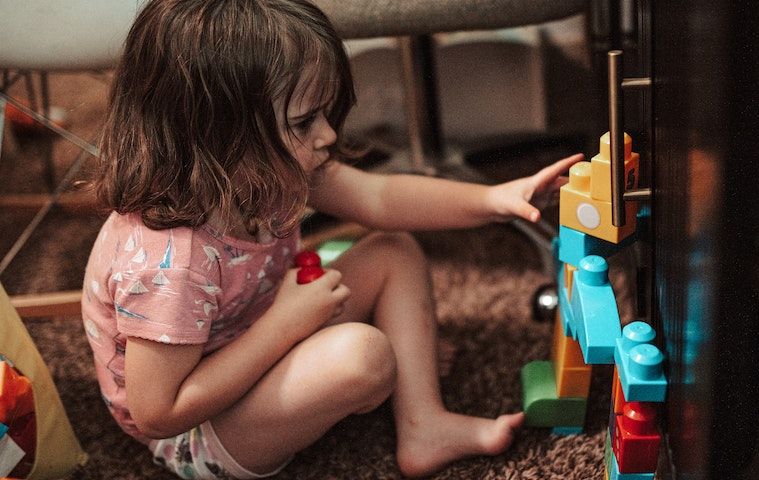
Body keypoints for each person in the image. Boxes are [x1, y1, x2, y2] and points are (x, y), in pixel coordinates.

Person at [80, 0, 582, 479]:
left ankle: (424, 424)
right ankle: (348, 363)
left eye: (325, 114)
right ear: (217, 134)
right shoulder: (171, 262)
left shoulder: (260, 169)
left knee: (392, 249)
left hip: (255, 333)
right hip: (198, 432)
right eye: (303, 122)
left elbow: (380, 198)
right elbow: (159, 413)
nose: (327, 136)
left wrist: (494, 198)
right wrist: (285, 325)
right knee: (363, 356)